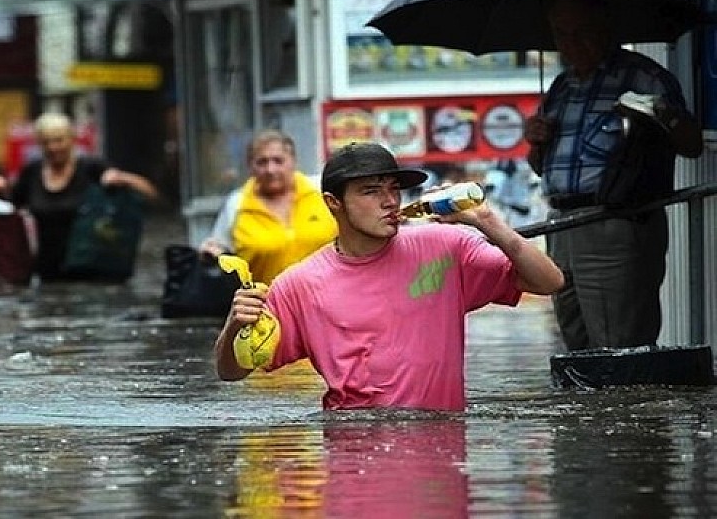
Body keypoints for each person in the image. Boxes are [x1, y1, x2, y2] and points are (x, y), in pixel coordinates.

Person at [214, 142, 564, 411]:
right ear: (333, 203)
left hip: (440, 458)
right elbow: (232, 371)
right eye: (371, 191)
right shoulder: (300, 285)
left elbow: (548, 282)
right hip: (353, 454)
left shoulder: (445, 247)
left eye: (393, 188)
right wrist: (234, 324)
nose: (389, 201)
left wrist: (491, 225)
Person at [523, 0, 703, 351]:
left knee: (619, 344)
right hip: (561, 224)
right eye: (561, 34)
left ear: (606, 28)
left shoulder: (643, 77)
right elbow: (540, 166)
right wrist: (535, 140)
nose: (572, 43)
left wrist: (660, 114)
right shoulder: (561, 86)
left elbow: (692, 145)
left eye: (582, 31)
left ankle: (634, 408)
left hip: (615, 222)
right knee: (576, 344)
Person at [0, 112, 158, 282]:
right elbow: (10, 208)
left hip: (93, 271)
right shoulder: (32, 171)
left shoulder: (92, 168)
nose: (53, 147)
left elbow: (150, 195)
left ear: (71, 139)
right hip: (48, 273)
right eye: (46, 142)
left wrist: (123, 179)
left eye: (59, 140)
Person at [199, 129, 337, 285]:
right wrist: (211, 253)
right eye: (262, 162)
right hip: (266, 305)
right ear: (250, 166)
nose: (270, 170)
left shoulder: (320, 191)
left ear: (293, 161)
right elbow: (220, 250)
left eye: (278, 160)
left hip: (329, 300)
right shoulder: (237, 204)